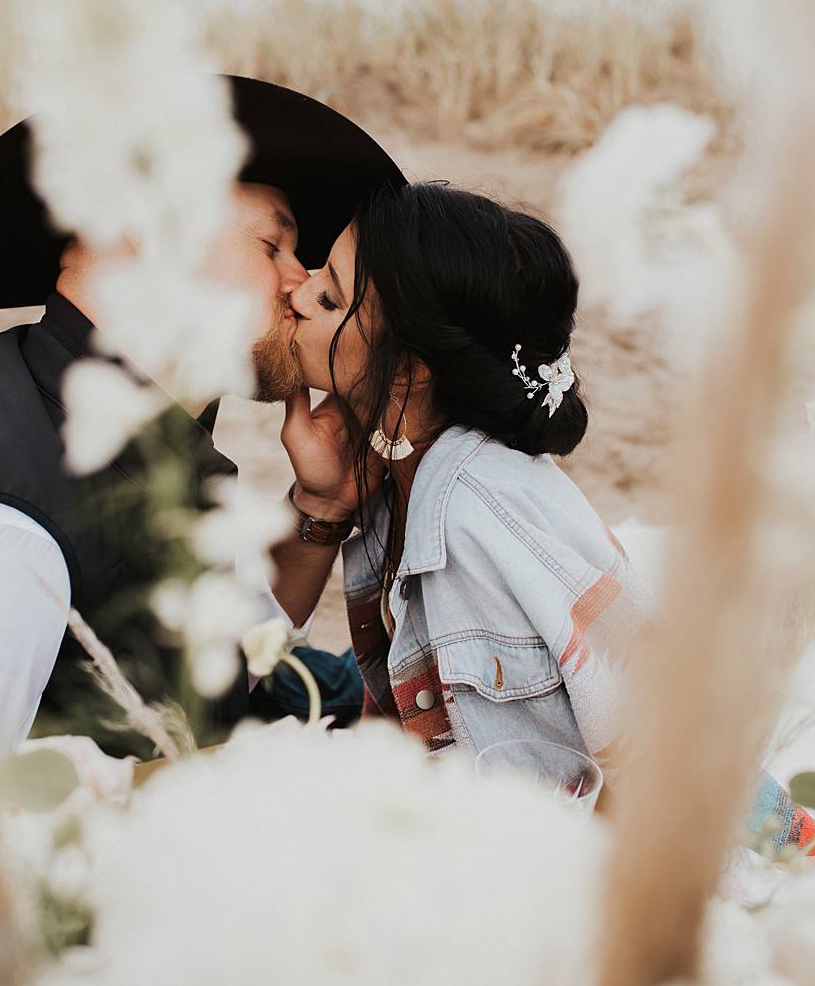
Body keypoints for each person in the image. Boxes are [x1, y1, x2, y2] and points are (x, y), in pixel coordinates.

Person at [0, 77, 404, 760]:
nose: (303, 283)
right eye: (272, 246)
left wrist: (319, 507)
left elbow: (235, 658)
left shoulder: (152, 429)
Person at [275, 181, 650, 776]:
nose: (297, 289)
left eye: (331, 299)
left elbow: (602, 768)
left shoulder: (469, 524)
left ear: (405, 372)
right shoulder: (399, 468)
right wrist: (323, 501)